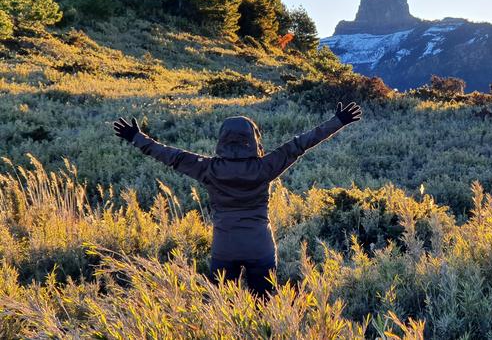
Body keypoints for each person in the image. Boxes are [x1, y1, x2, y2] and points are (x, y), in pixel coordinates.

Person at [112, 102, 362, 298]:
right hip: (260, 248)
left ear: (221, 140)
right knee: (264, 308)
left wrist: (137, 137)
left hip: (225, 248)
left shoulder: (208, 169)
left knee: (223, 309)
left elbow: (169, 155)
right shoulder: (265, 167)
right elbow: (301, 144)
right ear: (253, 139)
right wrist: (338, 122)